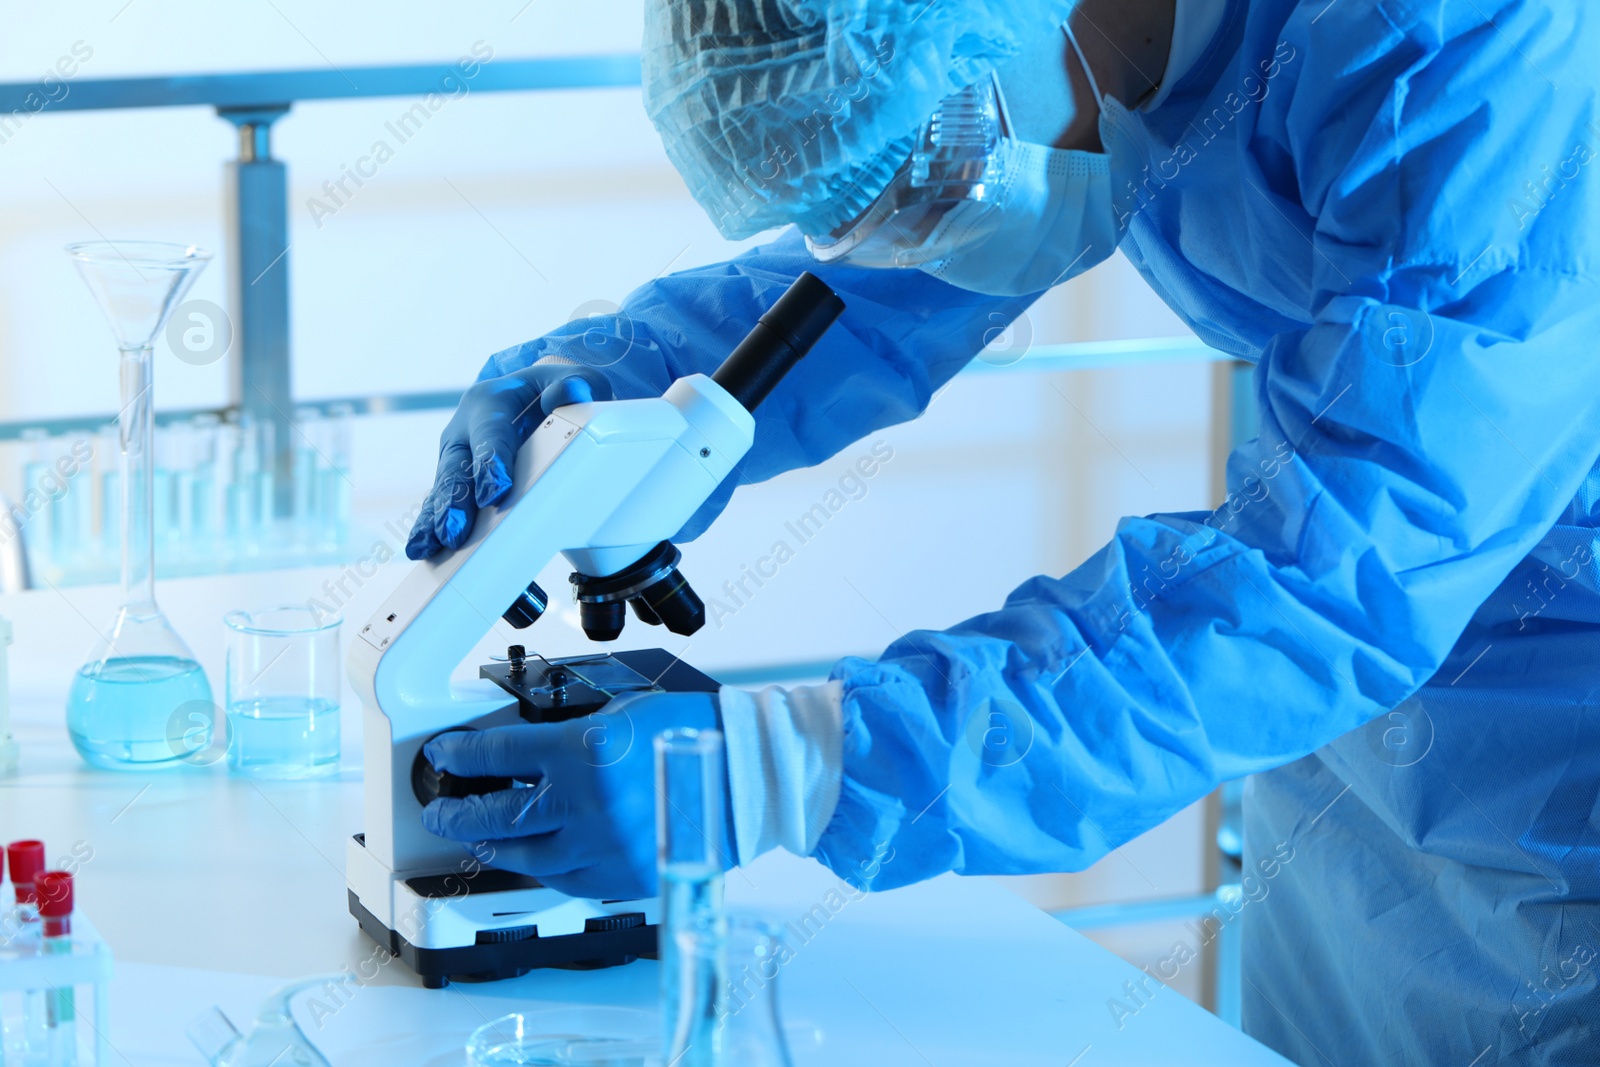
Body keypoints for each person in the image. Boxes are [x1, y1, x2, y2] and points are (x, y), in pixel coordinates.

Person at [408, 0, 1600, 1062]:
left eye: (923, 186)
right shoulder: (1051, 58)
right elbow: (901, 253)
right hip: (1350, 745)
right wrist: (637, 390)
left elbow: (1346, 565)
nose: (907, 232)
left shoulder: (1455, 36)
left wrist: (789, 762)